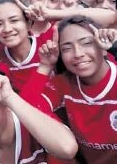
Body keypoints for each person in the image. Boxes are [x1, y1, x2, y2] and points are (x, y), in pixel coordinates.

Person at [26, 16, 117, 163]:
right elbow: (27, 111)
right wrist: (45, 66)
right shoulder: (65, 83)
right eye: (67, 48)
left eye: (87, 43)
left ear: (104, 46)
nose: (78, 53)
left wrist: (115, 46)